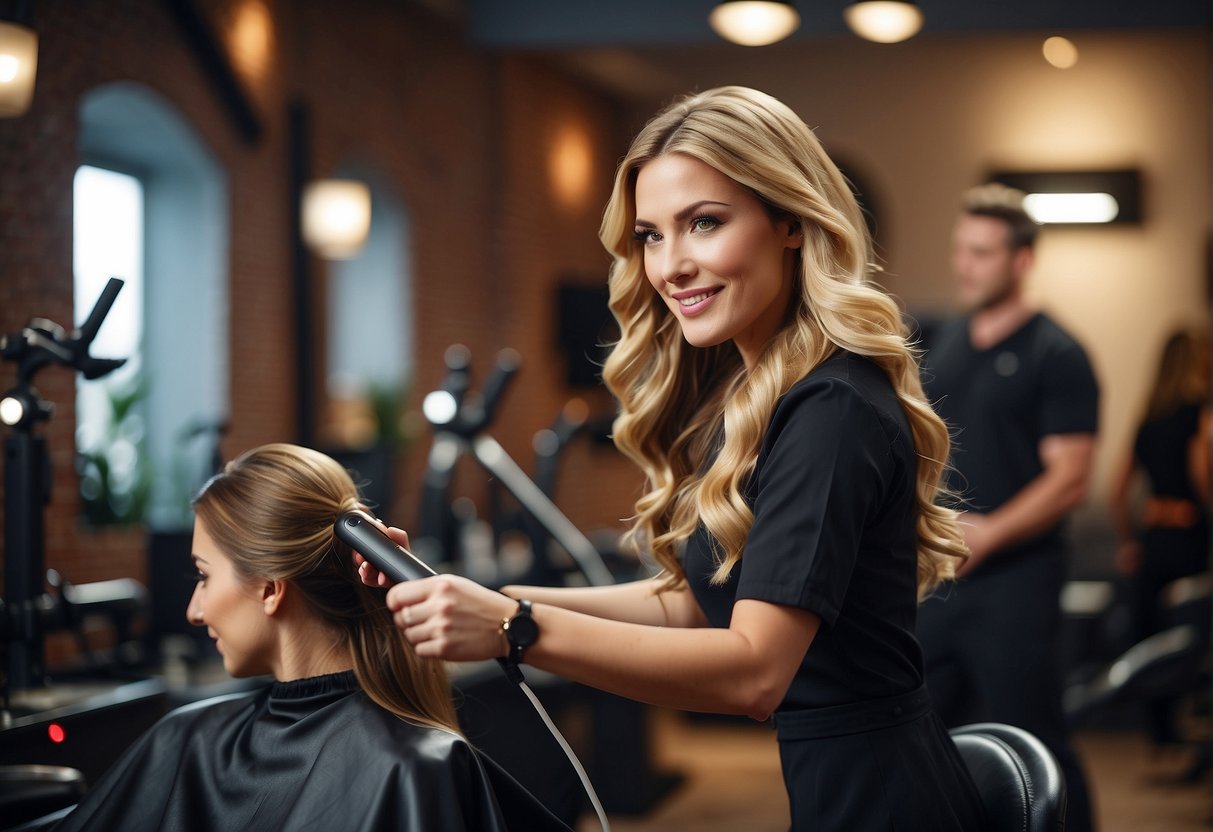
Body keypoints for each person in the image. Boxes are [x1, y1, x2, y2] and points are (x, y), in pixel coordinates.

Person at [358, 86, 986, 830]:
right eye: (651, 236)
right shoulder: (751, 396)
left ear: (790, 221)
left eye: (704, 224)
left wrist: (513, 627)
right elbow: (694, 605)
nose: (671, 265)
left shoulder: (831, 409)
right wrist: (464, 595)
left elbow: (754, 671)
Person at [54, 443, 570, 832]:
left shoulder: (411, 768)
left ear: (272, 590)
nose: (194, 610)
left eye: (203, 576)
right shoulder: (187, 737)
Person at [915, 183, 1098, 832]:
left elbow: (1069, 478)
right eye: (961, 250)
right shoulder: (944, 340)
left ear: (1021, 260)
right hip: (939, 580)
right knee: (924, 736)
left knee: (1033, 737)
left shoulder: (1057, 353)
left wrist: (989, 533)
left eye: (982, 252)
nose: (965, 264)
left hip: (1015, 582)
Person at [1110, 327, 1211, 746]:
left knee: (1151, 637)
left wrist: (1129, 542)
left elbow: (1118, 490)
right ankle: (1186, 731)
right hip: (1189, 536)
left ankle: (1160, 732)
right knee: (1188, 636)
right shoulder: (1199, 414)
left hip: (1152, 538)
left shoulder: (1147, 419)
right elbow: (1202, 476)